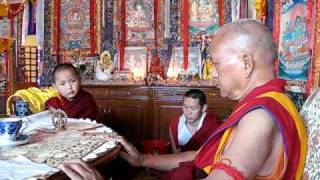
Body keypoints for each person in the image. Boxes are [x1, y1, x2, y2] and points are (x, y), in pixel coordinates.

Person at [59, 19, 307, 180]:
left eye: (217, 64)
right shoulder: (261, 103)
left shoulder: (260, 117)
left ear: (246, 63)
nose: (214, 72)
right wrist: (144, 160)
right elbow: (202, 155)